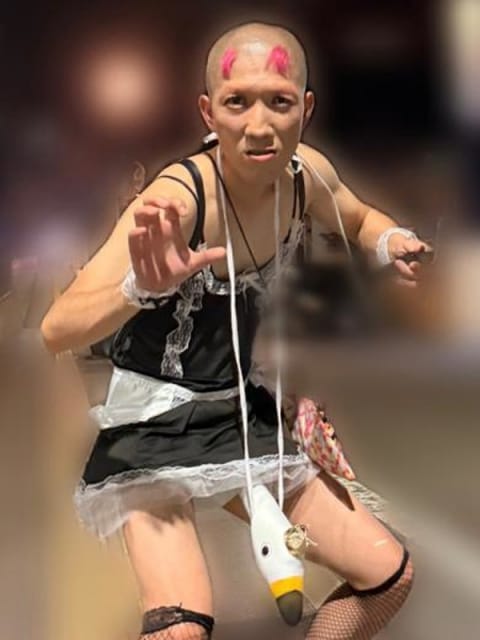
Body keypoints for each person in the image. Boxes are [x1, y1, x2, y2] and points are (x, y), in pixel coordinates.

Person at [41, 21, 428, 640]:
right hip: (153, 421)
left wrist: (389, 242)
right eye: (237, 101)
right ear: (208, 112)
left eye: (278, 101)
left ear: (306, 109)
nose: (258, 125)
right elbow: (57, 329)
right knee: (182, 628)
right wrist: (137, 289)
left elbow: (358, 218)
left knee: (389, 576)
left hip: (240, 412)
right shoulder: (178, 200)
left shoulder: (307, 177)